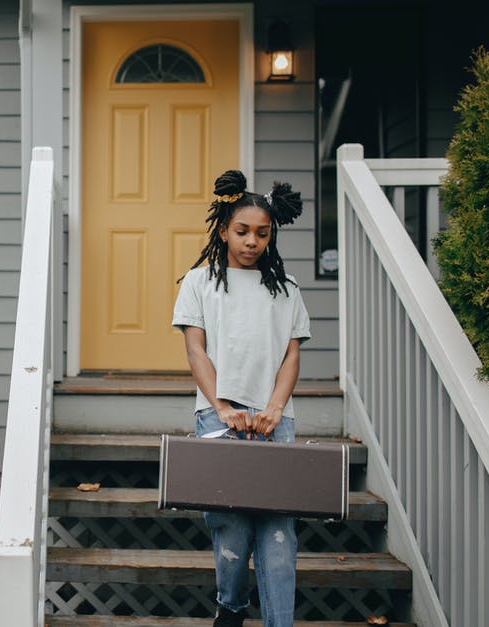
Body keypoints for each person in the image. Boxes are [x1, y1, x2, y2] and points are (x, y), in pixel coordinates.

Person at [170, 169, 310, 627]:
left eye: (262, 234)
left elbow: (290, 357)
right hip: (218, 417)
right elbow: (196, 350)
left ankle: (278, 622)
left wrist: (273, 408)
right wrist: (222, 407)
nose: (252, 241)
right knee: (230, 529)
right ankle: (230, 608)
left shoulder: (286, 291)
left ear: (272, 236)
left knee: (278, 535)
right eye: (243, 231)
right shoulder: (199, 281)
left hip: (275, 420)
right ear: (224, 229)